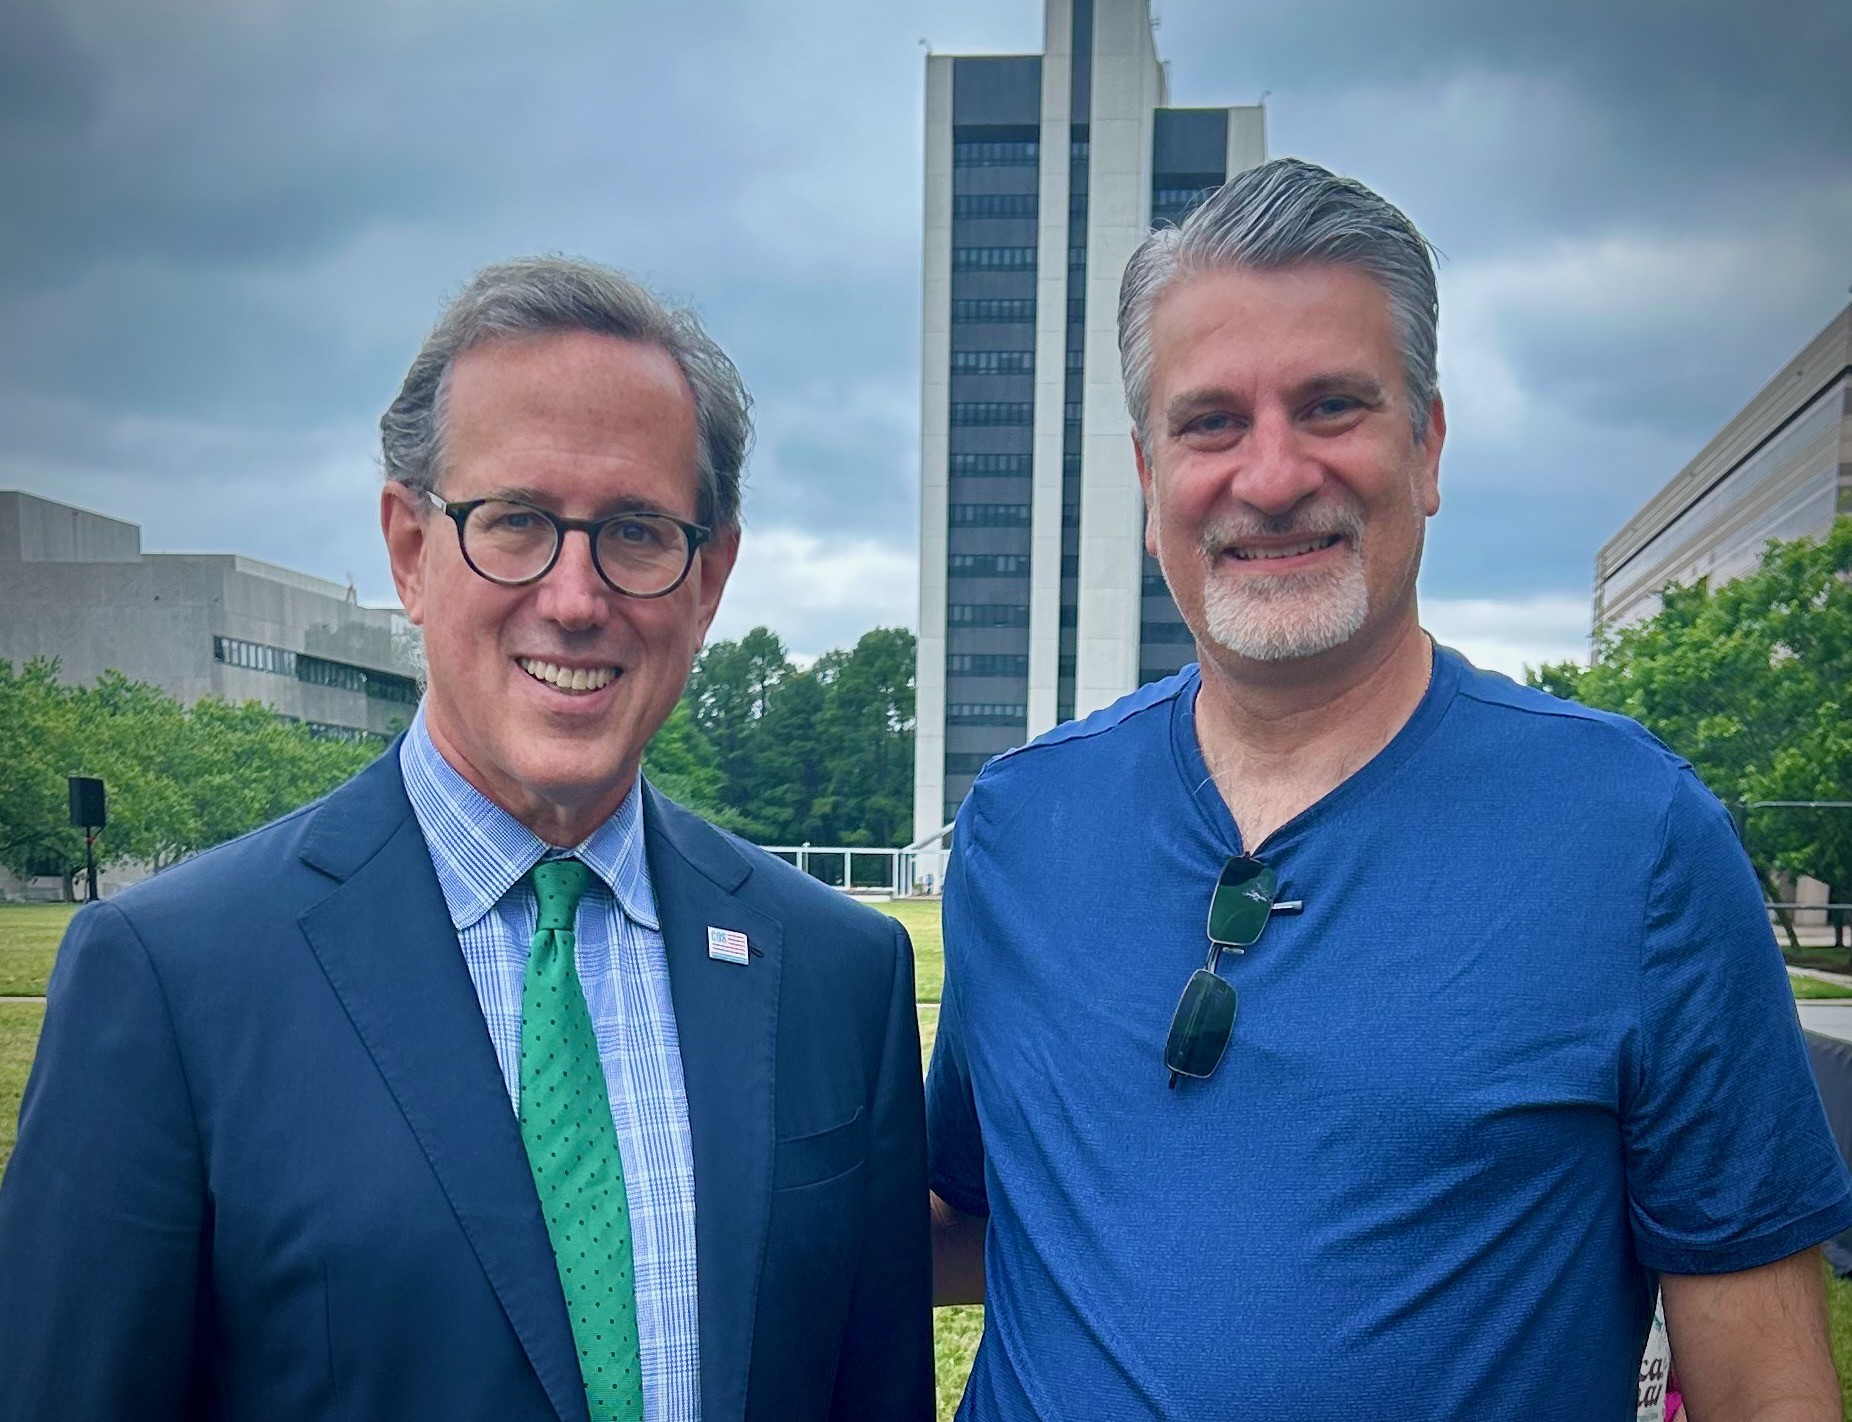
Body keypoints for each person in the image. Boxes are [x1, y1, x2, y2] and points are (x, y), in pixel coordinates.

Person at [925, 159, 1852, 1419]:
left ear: (1425, 447)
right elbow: (978, 1218)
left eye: (1330, 407)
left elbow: (1762, 1385)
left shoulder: (1632, 838)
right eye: (1210, 423)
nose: (1269, 477)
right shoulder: (1020, 825)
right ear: (1147, 480)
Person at [0, 257, 932, 1422]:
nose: (576, 598)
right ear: (409, 547)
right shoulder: (173, 981)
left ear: (709, 577)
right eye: (517, 522)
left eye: (637, 531)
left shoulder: (836, 975)